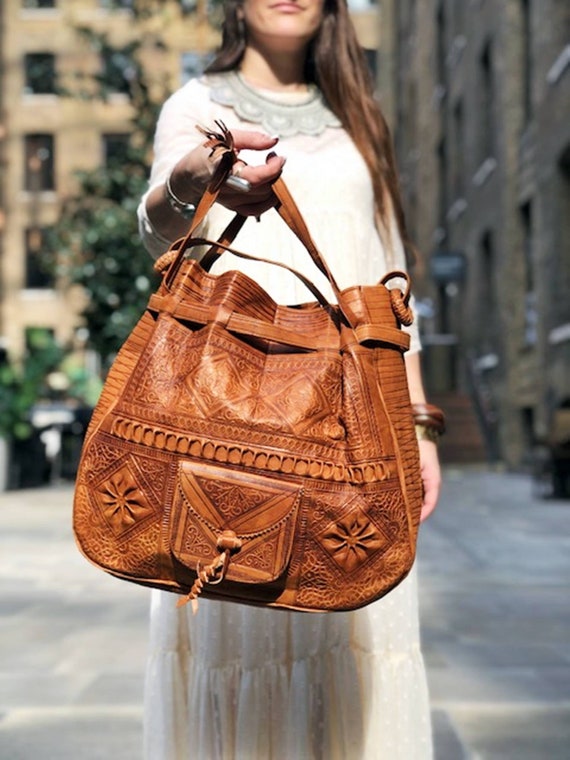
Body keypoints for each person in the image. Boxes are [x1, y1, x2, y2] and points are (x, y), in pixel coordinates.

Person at [137, 1, 441, 757]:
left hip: (356, 421)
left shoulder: (359, 116)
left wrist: (418, 420)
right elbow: (155, 226)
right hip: (230, 419)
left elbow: (390, 274)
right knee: (243, 627)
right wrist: (194, 178)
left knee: (354, 613)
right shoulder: (197, 105)